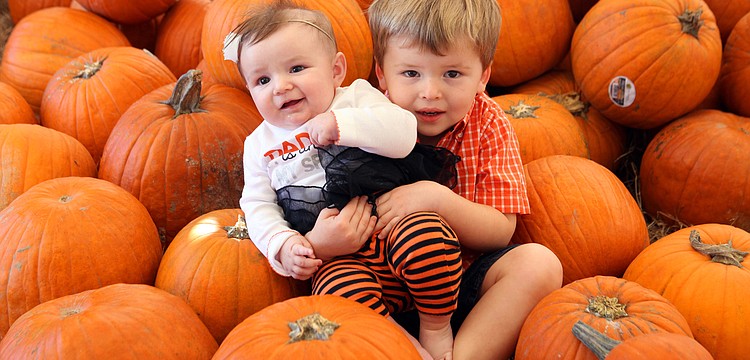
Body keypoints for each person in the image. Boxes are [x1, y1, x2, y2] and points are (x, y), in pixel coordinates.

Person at [228, 1, 461, 358]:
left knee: (429, 240)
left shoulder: (355, 99)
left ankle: (435, 325)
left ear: (336, 70)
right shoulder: (259, 146)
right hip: (339, 257)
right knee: (336, 296)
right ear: (249, 90)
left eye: (296, 68)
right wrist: (284, 244)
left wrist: (344, 126)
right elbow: (257, 205)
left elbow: (404, 134)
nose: (281, 86)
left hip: (392, 225)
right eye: (263, 80)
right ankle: (401, 344)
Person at [366, 0, 564, 359]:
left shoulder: (488, 125)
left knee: (539, 264)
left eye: (452, 74)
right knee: (327, 288)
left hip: (464, 285)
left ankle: (461, 356)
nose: (430, 92)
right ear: (381, 73)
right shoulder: (363, 122)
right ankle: (406, 351)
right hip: (386, 291)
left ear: (483, 76)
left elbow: (501, 230)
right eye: (411, 74)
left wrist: (437, 200)